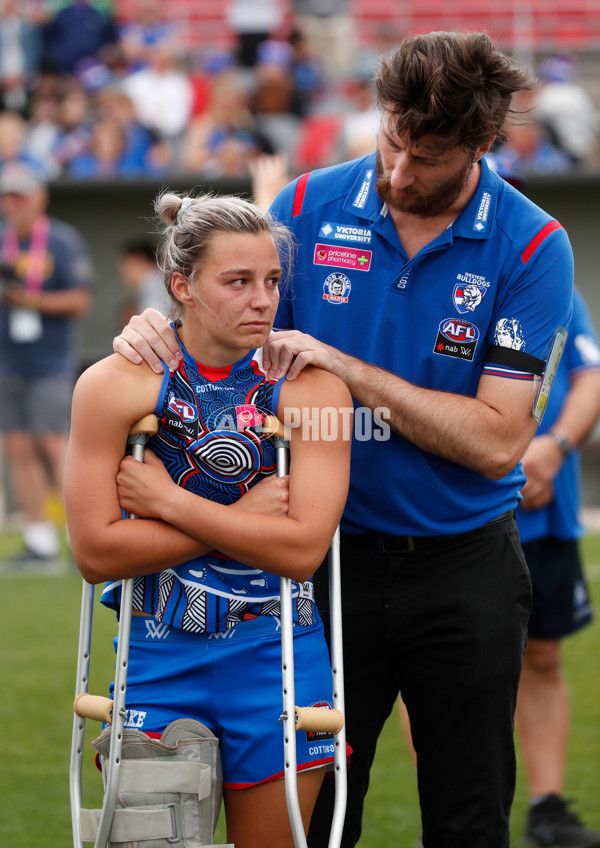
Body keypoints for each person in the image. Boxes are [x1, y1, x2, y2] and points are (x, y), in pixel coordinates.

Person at [111, 32, 574, 848]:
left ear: (482, 146)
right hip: (318, 568)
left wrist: (344, 369)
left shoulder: (534, 246)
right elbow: (228, 351)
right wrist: (161, 327)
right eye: (392, 140)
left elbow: (498, 441)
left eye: (428, 158)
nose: (398, 175)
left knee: (469, 819)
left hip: (464, 564)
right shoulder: (301, 207)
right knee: (316, 822)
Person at [64, 191, 352, 848]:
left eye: (273, 280)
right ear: (181, 286)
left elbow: (302, 548)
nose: (262, 299)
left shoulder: (315, 387)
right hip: (159, 651)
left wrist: (169, 502)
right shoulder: (113, 385)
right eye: (239, 281)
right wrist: (242, 517)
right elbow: (96, 553)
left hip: (276, 654)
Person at [515, 288, 600, 848]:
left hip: (547, 518)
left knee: (543, 657)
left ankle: (546, 808)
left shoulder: (554, 283)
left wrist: (553, 448)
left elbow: (589, 376)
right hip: (452, 522)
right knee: (440, 671)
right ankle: (445, 815)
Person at [0, 161, 93, 567]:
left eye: (20, 195)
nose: (13, 204)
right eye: (7, 196)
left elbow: (80, 301)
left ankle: (80, 540)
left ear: (39, 197)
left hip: (51, 359)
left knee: (57, 444)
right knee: (17, 446)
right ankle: (40, 542)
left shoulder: (61, 240)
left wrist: (28, 299)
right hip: (7, 359)